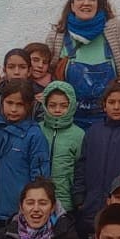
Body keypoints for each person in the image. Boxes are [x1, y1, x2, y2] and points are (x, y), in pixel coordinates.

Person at [45, 0, 120, 130]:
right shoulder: (58, 36)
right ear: (72, 5)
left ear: (98, 4)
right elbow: (44, 72)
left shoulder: (115, 30)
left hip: (111, 121)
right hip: (69, 123)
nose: (86, 3)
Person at [73, 81, 120, 239]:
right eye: (111, 102)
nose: (116, 107)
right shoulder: (94, 132)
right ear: (104, 105)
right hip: (91, 206)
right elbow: (82, 165)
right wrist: (80, 198)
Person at [0, 79, 50, 235]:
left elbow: (39, 178)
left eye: (19, 104)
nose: (13, 109)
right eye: (9, 103)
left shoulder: (34, 136)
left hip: (17, 215)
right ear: (2, 102)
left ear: (29, 105)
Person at [39, 81, 86, 214]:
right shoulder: (37, 129)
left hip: (66, 201)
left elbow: (81, 170)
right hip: (38, 200)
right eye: (52, 105)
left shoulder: (79, 134)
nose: (57, 110)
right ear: (45, 106)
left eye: (63, 106)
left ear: (71, 106)